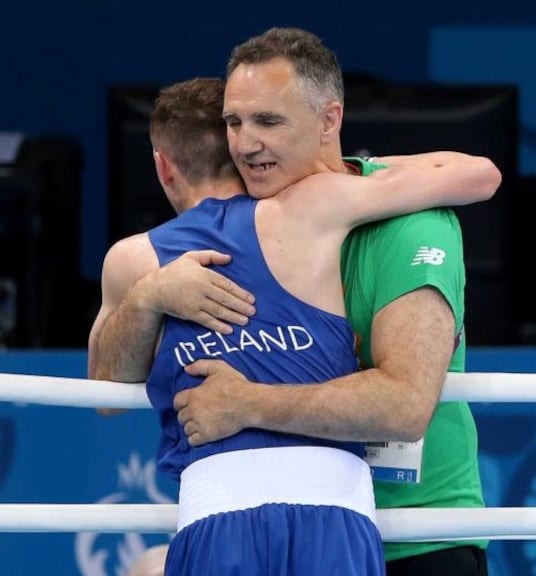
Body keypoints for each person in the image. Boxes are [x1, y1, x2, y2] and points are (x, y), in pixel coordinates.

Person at [91, 28, 496, 576]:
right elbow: (106, 393)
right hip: (304, 519)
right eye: (234, 123)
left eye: (268, 121)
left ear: (328, 121)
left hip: (417, 538)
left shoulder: (404, 219)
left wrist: (247, 404)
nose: (246, 143)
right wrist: (149, 296)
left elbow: (403, 405)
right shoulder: (237, 228)